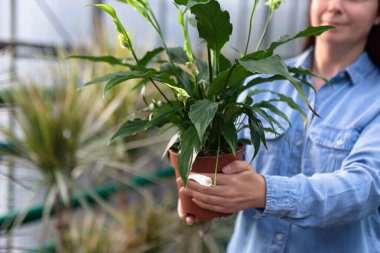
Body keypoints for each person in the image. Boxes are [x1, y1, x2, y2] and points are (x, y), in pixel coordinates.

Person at [178, 0, 380, 252]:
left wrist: (265, 192)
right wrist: (205, 192)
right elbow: (228, 158)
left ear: (377, 14)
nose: (335, 6)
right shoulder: (263, 80)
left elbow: (365, 187)